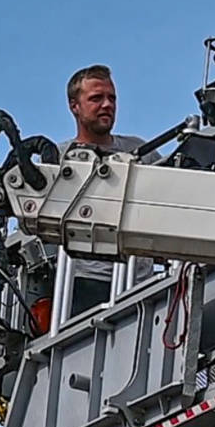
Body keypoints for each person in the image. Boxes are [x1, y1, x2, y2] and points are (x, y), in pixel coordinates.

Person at [61, 64, 161, 317]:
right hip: (84, 282)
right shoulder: (59, 157)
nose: (107, 105)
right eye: (96, 98)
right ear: (75, 106)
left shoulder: (139, 150)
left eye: (111, 98)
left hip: (140, 283)